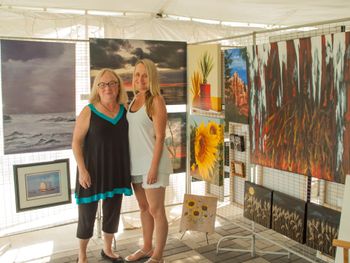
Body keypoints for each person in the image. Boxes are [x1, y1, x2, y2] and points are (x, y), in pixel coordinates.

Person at [72, 68, 132, 263]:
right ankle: (82, 255)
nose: (108, 88)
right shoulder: (88, 110)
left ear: (118, 86)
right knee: (87, 216)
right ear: (97, 88)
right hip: (91, 172)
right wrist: (82, 170)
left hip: (116, 171)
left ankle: (107, 250)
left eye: (112, 83)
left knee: (112, 213)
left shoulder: (125, 110)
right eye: (103, 84)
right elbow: (76, 143)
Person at [125, 59, 172, 263]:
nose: (141, 79)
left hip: (153, 165)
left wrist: (153, 169)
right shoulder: (134, 100)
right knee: (144, 208)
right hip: (136, 165)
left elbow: (160, 137)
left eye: (145, 75)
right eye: (137, 75)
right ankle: (146, 247)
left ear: (151, 77)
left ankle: (158, 255)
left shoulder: (156, 100)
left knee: (156, 210)